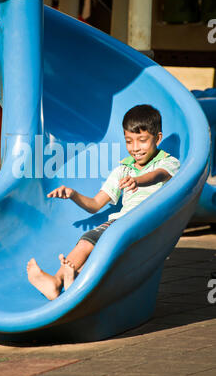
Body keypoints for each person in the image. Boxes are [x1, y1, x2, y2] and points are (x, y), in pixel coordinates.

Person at [27, 104, 180, 300]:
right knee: (87, 241)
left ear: (157, 138)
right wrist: (73, 194)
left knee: (108, 253)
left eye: (142, 140)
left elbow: (159, 175)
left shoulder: (167, 162)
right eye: (129, 141)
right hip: (119, 222)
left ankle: (74, 279)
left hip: (147, 223)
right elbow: (95, 204)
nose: (135, 148)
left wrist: (138, 180)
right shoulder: (122, 170)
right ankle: (57, 282)